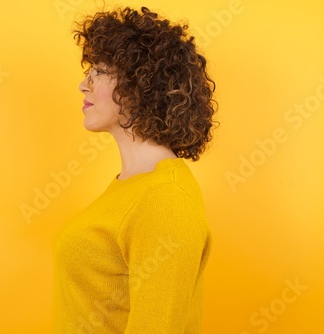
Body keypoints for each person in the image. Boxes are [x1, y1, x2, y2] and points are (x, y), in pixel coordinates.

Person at [53, 6, 217, 334]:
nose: (82, 86)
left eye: (98, 71)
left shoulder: (165, 199)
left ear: (137, 83)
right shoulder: (132, 187)